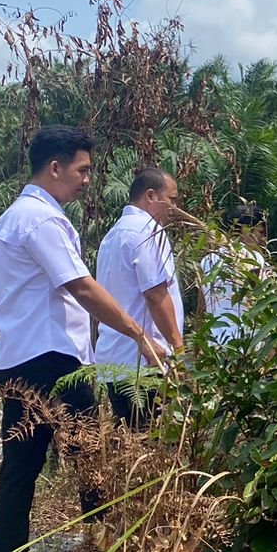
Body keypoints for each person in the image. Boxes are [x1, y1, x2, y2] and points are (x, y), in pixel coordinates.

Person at [0, 125, 166, 552]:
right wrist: (138, 333)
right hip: (53, 361)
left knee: (20, 470)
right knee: (91, 463)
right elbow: (81, 286)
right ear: (55, 167)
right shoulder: (41, 220)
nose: (87, 180)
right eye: (82, 170)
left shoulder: (11, 219)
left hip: (18, 357)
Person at [95, 167, 184, 424]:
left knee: (130, 435)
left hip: (116, 358)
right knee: (151, 435)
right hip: (147, 361)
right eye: (172, 199)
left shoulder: (113, 235)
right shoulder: (147, 231)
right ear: (151, 196)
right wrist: (179, 350)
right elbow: (156, 294)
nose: (175, 208)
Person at [198, 202, 270, 345]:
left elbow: (202, 305)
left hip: (215, 340)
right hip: (245, 340)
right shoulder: (254, 259)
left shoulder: (207, 260)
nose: (264, 240)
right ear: (245, 230)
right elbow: (258, 300)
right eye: (261, 233)